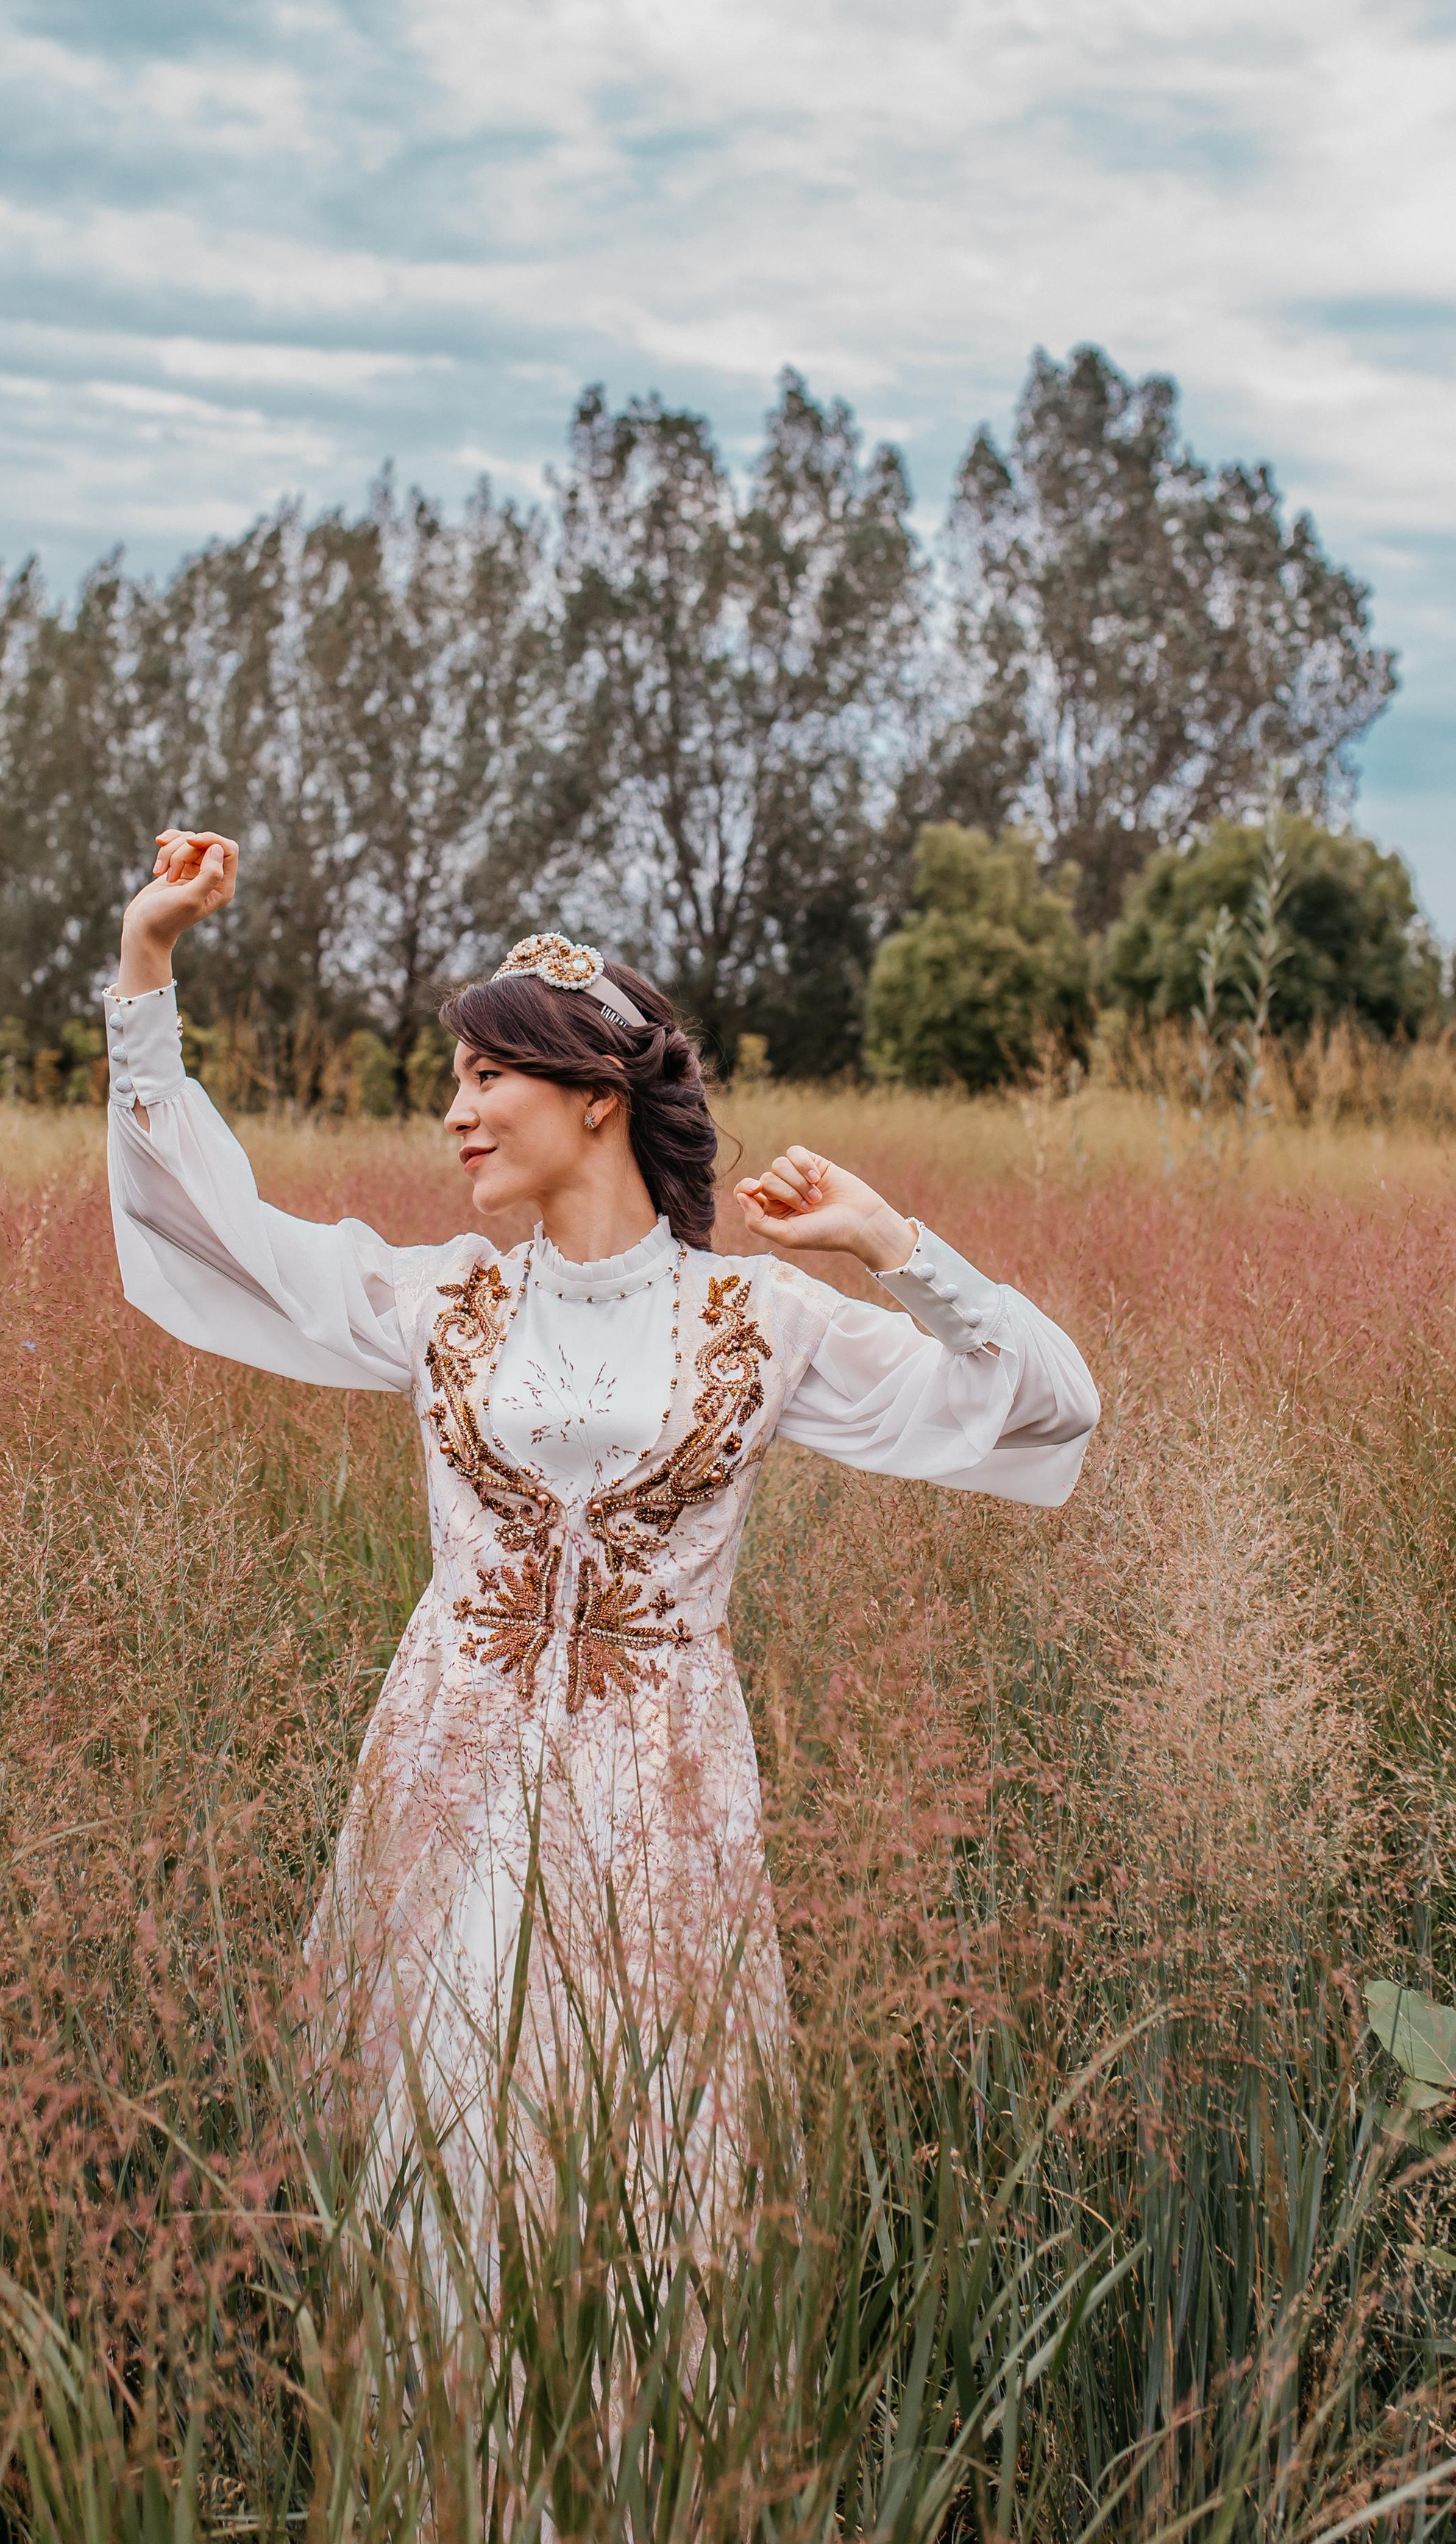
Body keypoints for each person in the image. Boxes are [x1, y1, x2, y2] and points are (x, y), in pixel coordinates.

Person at [104, 828, 1099, 2273]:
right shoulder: (443, 1302)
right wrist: (147, 957)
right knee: (447, 2121)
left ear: (592, 1095)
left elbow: (1046, 1401)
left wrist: (891, 1244)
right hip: (452, 1764)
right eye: (455, 1081)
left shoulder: (759, 1320)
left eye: (484, 1077)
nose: (456, 1114)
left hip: (658, 1785)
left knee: (641, 2149)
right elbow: (210, 1225)